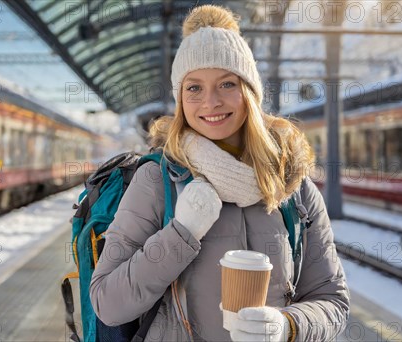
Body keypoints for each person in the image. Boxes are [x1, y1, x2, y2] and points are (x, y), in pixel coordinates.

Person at [90, 5, 349, 341]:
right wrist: (181, 233)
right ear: (180, 99)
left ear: (250, 93)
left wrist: (290, 325)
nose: (210, 102)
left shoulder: (291, 185)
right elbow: (108, 304)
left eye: (227, 83)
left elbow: (332, 301)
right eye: (194, 87)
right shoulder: (157, 180)